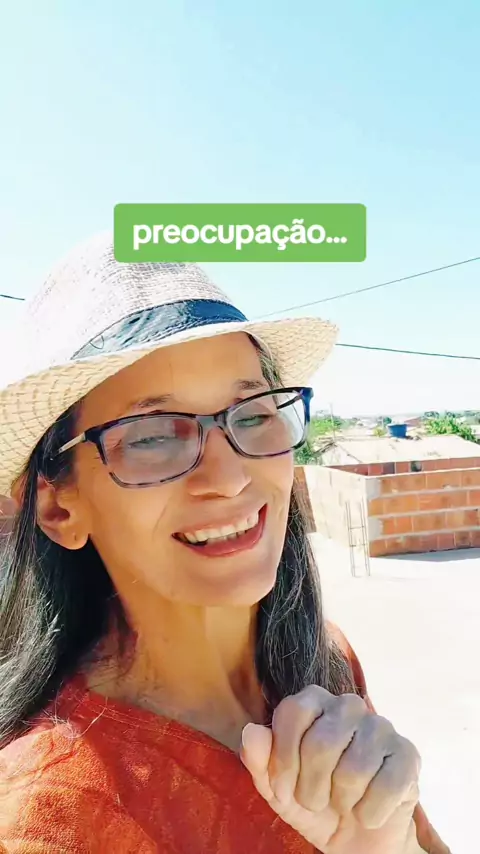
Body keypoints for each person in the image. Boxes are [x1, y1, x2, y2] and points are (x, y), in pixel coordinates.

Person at [0, 233, 450, 853]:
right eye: (151, 435)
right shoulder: (53, 814)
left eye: (254, 413)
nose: (231, 477)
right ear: (58, 506)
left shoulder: (323, 661)